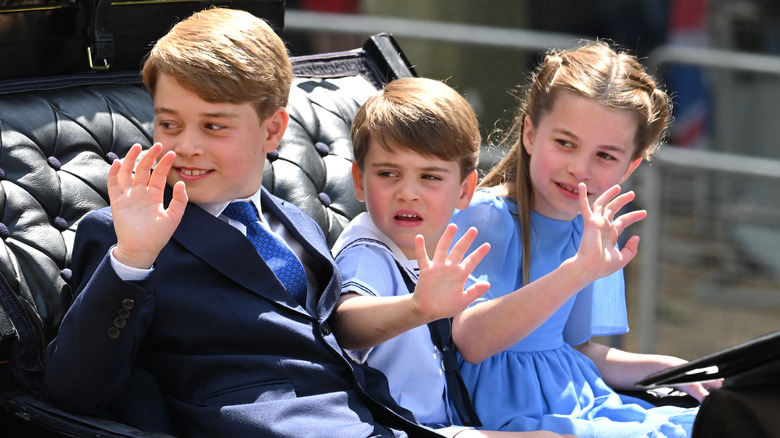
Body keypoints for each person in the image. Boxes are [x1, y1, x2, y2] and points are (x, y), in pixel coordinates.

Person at [42, 8, 444, 438]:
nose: (186, 146)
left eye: (214, 126)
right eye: (169, 124)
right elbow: (74, 391)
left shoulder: (297, 222)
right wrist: (132, 259)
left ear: (272, 132)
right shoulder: (122, 235)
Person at [448, 41, 722, 437]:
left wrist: (665, 368)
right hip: (515, 419)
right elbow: (471, 342)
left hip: (584, 401)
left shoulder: (595, 228)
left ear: (629, 166)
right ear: (529, 134)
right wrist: (577, 271)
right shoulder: (482, 215)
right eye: (565, 143)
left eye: (605, 156)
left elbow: (574, 350)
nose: (579, 168)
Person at [328, 77, 582, 438]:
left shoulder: (433, 248)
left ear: (465, 191)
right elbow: (345, 322)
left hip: (446, 422)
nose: (408, 193)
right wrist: (417, 307)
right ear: (359, 179)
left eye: (430, 177)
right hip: (396, 427)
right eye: (388, 173)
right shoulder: (368, 248)